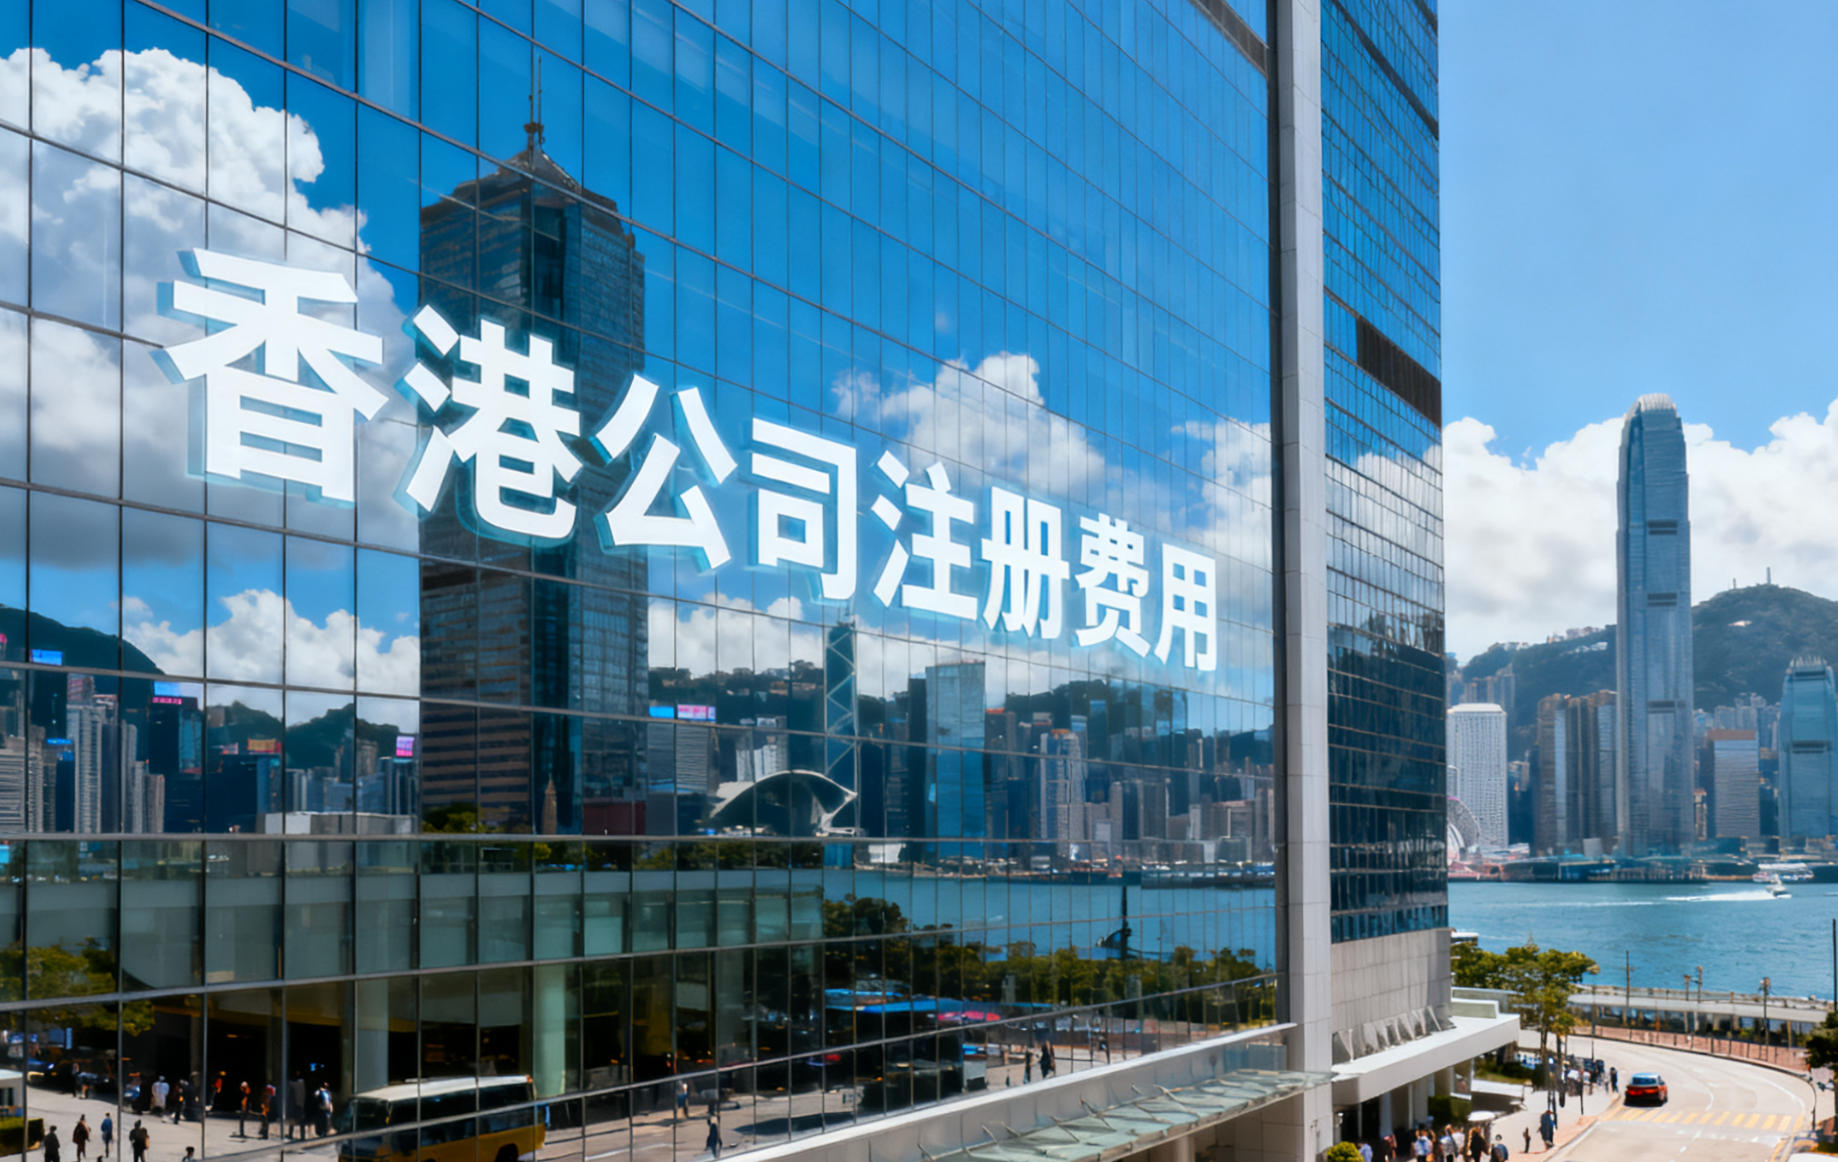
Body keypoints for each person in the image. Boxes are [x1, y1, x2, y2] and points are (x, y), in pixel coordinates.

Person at [289, 1075, 306, 1141]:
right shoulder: (303, 1086)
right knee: (302, 1122)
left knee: (293, 1121)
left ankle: (290, 1135)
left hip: (296, 1106)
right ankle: (302, 1137)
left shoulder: (293, 1086)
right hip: (301, 1106)